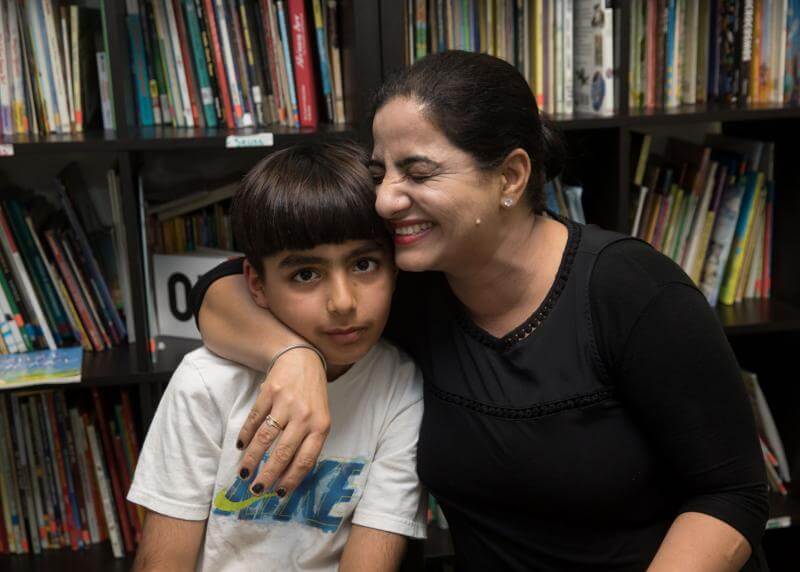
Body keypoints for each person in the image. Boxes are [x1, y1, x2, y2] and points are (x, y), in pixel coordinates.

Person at [191, 51, 769, 570]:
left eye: (417, 173)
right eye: (380, 174)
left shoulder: (632, 290)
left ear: (511, 176)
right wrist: (292, 356)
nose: (386, 201)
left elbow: (731, 494)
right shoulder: (413, 286)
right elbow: (220, 290)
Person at [128, 141, 426, 572]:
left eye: (363, 265)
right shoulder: (205, 383)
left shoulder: (400, 387)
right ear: (256, 284)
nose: (343, 302)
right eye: (306, 274)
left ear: (394, 267)